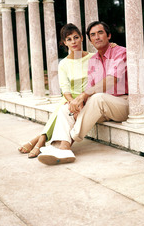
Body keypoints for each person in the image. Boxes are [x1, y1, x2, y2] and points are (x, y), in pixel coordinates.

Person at [18, 23, 116, 158]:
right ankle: (41, 140)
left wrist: (113, 46)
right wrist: (73, 102)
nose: (73, 41)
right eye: (69, 39)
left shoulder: (93, 57)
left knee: (61, 110)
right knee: (64, 108)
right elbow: (65, 89)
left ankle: (40, 140)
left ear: (82, 38)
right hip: (71, 99)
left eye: (76, 37)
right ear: (65, 43)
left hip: (90, 97)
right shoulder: (63, 63)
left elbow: (105, 69)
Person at [38, 21, 129, 165]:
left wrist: (83, 96)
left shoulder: (120, 52)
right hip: (101, 110)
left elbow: (112, 80)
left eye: (100, 33)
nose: (97, 37)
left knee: (98, 98)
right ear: (90, 40)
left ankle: (65, 145)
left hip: (122, 104)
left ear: (109, 35)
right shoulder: (93, 60)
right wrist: (79, 104)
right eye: (93, 35)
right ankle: (58, 148)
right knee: (66, 109)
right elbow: (90, 88)